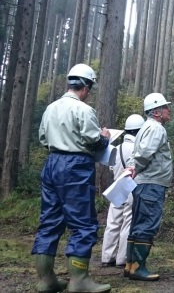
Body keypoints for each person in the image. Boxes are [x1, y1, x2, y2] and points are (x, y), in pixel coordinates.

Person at [31, 63, 112, 293]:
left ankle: (46, 280)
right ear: (85, 87)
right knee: (83, 222)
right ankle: (79, 281)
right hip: (76, 166)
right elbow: (93, 142)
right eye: (90, 89)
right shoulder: (84, 110)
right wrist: (104, 137)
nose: (89, 93)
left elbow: (44, 139)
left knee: (49, 220)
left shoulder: (51, 108)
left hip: (52, 163)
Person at [125, 92, 173, 281]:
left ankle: (130, 267)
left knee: (137, 224)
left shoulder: (146, 127)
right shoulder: (156, 129)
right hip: (151, 183)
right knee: (147, 224)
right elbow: (144, 153)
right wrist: (135, 168)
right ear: (157, 112)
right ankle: (138, 268)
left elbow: (137, 153)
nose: (169, 110)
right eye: (166, 107)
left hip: (143, 184)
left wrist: (132, 168)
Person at [101, 114, 145, 269]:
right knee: (127, 223)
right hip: (131, 187)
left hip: (117, 187)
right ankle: (122, 258)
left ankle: (107, 257)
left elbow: (111, 166)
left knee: (112, 222)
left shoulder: (116, 148)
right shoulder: (139, 149)